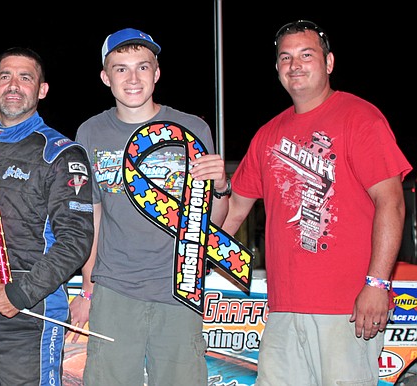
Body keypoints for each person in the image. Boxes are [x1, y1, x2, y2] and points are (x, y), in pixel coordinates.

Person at [221, 20, 413, 385]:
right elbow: (234, 212)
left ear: (329, 63)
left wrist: (377, 284)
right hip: (283, 309)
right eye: (285, 58)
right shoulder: (267, 135)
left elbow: (392, 203)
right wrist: (195, 260)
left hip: (346, 308)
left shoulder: (361, 118)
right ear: (277, 70)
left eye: (306, 55)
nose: (295, 65)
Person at [70, 28, 230, 385]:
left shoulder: (192, 127)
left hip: (178, 288)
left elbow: (211, 224)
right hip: (114, 289)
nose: (132, 78)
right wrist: (86, 290)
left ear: (156, 73)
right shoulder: (90, 132)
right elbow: (92, 218)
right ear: (105, 77)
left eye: (142, 67)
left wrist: (220, 188)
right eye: (121, 68)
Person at [0, 47, 94, 385]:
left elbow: (75, 242)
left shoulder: (61, 153)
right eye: (5, 76)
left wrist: (20, 293)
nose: (14, 84)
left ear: (41, 90)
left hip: (29, 311)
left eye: (25, 78)